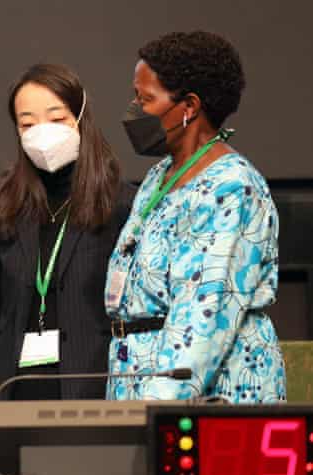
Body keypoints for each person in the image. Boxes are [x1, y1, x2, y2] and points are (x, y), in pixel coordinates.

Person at [106, 31, 285, 403]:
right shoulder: (161, 175)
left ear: (188, 106)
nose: (134, 110)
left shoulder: (232, 187)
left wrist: (153, 409)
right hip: (141, 379)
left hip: (205, 392)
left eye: (146, 99)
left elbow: (202, 316)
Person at [0, 63, 136, 400]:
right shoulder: (0, 206)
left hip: (93, 384)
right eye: (28, 123)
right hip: (15, 387)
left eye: (57, 118)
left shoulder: (121, 203)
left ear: (80, 118)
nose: (42, 131)